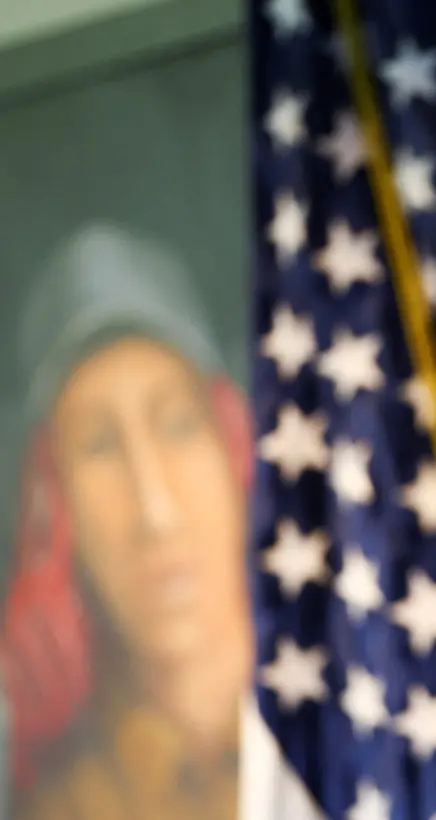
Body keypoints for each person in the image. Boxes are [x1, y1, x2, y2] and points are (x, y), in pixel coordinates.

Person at [0, 222, 254, 820]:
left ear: (235, 452)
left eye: (178, 425)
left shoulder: (367, 719)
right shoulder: (54, 801)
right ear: (57, 516)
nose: (155, 511)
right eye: (98, 448)